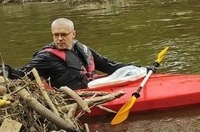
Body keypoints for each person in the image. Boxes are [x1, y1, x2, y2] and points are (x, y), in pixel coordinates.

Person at [5, 18, 133, 90]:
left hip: (93, 87)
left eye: (63, 34)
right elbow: (22, 74)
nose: (59, 39)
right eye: (56, 35)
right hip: (74, 97)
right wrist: (4, 70)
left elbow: (107, 65)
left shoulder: (81, 48)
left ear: (73, 34)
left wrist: (138, 68)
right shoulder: (45, 57)